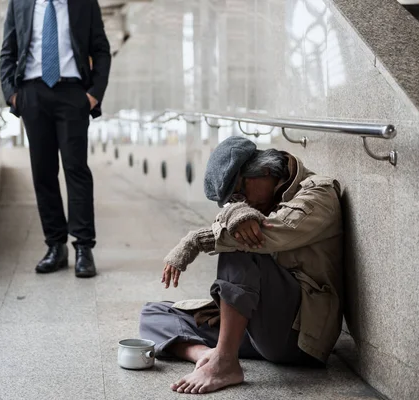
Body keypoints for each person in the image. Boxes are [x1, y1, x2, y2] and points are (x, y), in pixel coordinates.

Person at [139, 136, 344, 394]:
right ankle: (208, 355)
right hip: (257, 328)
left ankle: (224, 362)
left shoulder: (318, 193)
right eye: (233, 199)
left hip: (300, 336)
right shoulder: (255, 202)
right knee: (155, 314)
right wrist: (234, 211)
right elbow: (234, 222)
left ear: (264, 171)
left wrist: (195, 240)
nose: (241, 202)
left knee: (240, 248)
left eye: (240, 193)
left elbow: (263, 239)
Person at [0, 0, 111, 278]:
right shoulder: (20, 4)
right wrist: (12, 94)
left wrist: (94, 93)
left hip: (73, 94)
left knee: (76, 169)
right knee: (43, 173)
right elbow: (7, 51)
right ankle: (55, 246)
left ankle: (84, 247)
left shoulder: (84, 4)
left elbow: (101, 50)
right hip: (32, 94)